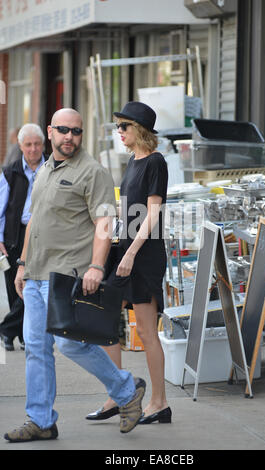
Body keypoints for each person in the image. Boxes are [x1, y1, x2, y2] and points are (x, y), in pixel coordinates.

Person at [4, 108, 146, 443]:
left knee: (70, 344)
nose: (70, 137)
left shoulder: (91, 171)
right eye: (64, 130)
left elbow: (104, 223)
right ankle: (40, 420)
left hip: (67, 276)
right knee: (36, 349)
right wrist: (22, 264)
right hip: (36, 274)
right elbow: (36, 220)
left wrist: (96, 267)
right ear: (51, 132)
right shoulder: (44, 170)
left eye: (77, 132)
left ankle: (126, 390)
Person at [86, 101, 171, 425]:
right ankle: (118, 394)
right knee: (106, 322)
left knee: (148, 332)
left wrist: (132, 253)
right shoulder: (132, 162)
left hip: (144, 255)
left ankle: (159, 402)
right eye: (118, 126)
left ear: (141, 131)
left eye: (124, 126)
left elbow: (153, 214)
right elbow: (127, 212)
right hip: (126, 250)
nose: (118, 132)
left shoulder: (155, 162)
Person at [0, 124, 46, 351]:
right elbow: (0, 207)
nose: (33, 149)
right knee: (13, 288)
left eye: (37, 144)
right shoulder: (9, 171)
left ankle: (7, 330)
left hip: (44, 235)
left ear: (43, 145)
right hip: (14, 236)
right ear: (20, 146)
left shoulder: (52, 167)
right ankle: (20, 334)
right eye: (28, 144)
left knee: (31, 286)